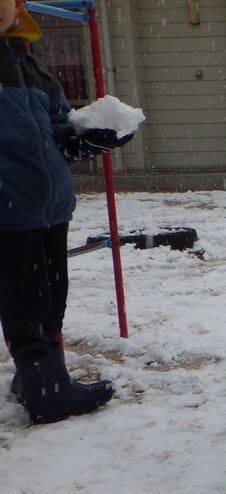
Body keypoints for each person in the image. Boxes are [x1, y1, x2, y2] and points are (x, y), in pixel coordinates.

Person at [2, 0, 129, 423]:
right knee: (27, 303)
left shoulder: (33, 69)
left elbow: (58, 137)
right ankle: (48, 395)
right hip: (7, 209)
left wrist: (93, 142)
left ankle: (34, 378)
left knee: (52, 299)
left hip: (51, 206)